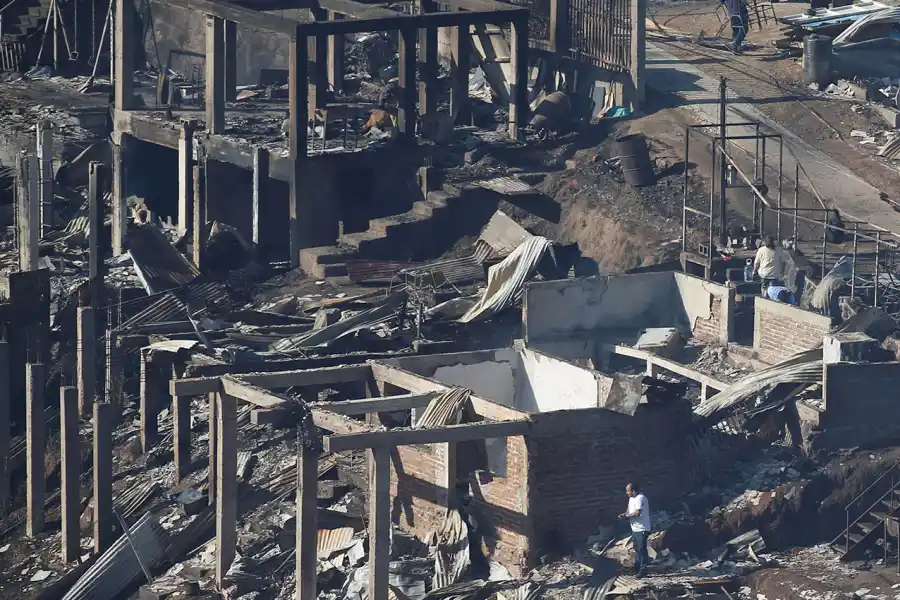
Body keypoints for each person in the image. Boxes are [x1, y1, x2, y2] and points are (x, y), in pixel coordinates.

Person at [618, 483, 652, 577]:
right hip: (635, 528)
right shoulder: (631, 499)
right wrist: (624, 514)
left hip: (642, 528)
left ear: (633, 491)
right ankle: (637, 567)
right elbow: (629, 510)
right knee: (637, 548)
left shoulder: (640, 498)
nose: (626, 493)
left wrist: (626, 517)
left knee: (642, 549)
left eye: (628, 491)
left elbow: (637, 513)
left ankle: (643, 570)